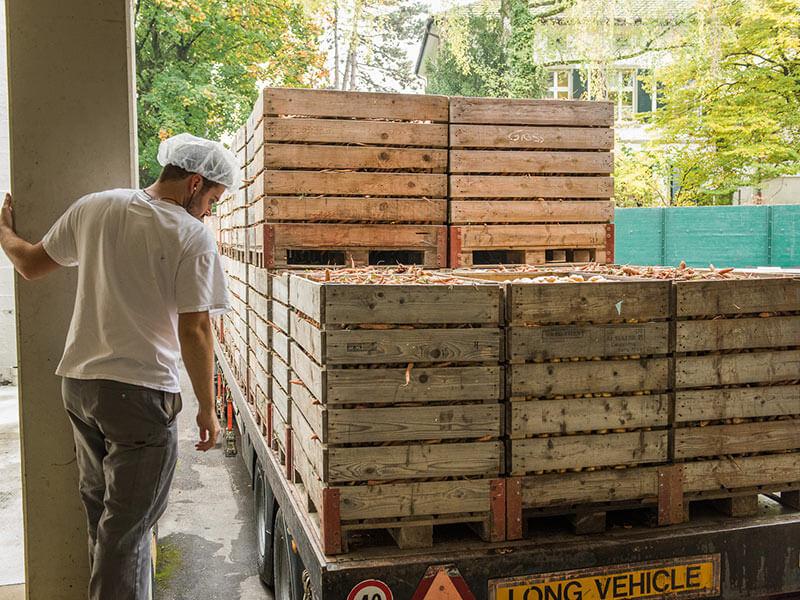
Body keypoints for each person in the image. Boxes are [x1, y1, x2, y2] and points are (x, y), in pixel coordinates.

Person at [0, 133, 237, 599]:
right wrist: (208, 408)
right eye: (212, 198)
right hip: (141, 396)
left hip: (82, 387)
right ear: (194, 183)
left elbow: (29, 264)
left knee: (105, 523)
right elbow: (196, 330)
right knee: (127, 533)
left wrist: (3, 232)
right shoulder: (191, 235)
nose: (211, 210)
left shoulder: (96, 206)